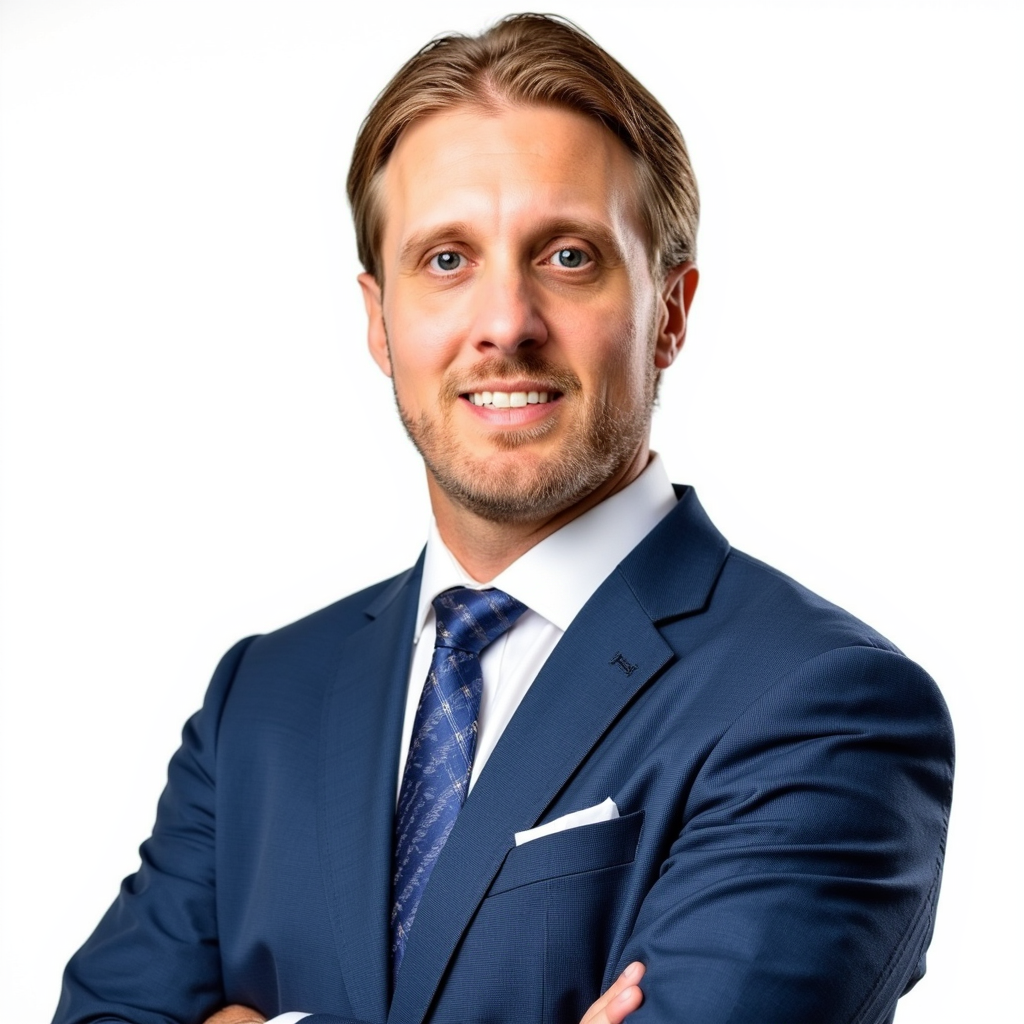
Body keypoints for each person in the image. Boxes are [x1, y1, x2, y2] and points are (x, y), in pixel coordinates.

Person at [53, 13, 954, 1024]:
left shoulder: (825, 705)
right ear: (377, 319)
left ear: (669, 311)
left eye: (567, 255)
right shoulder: (261, 700)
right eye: (446, 260)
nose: (504, 324)